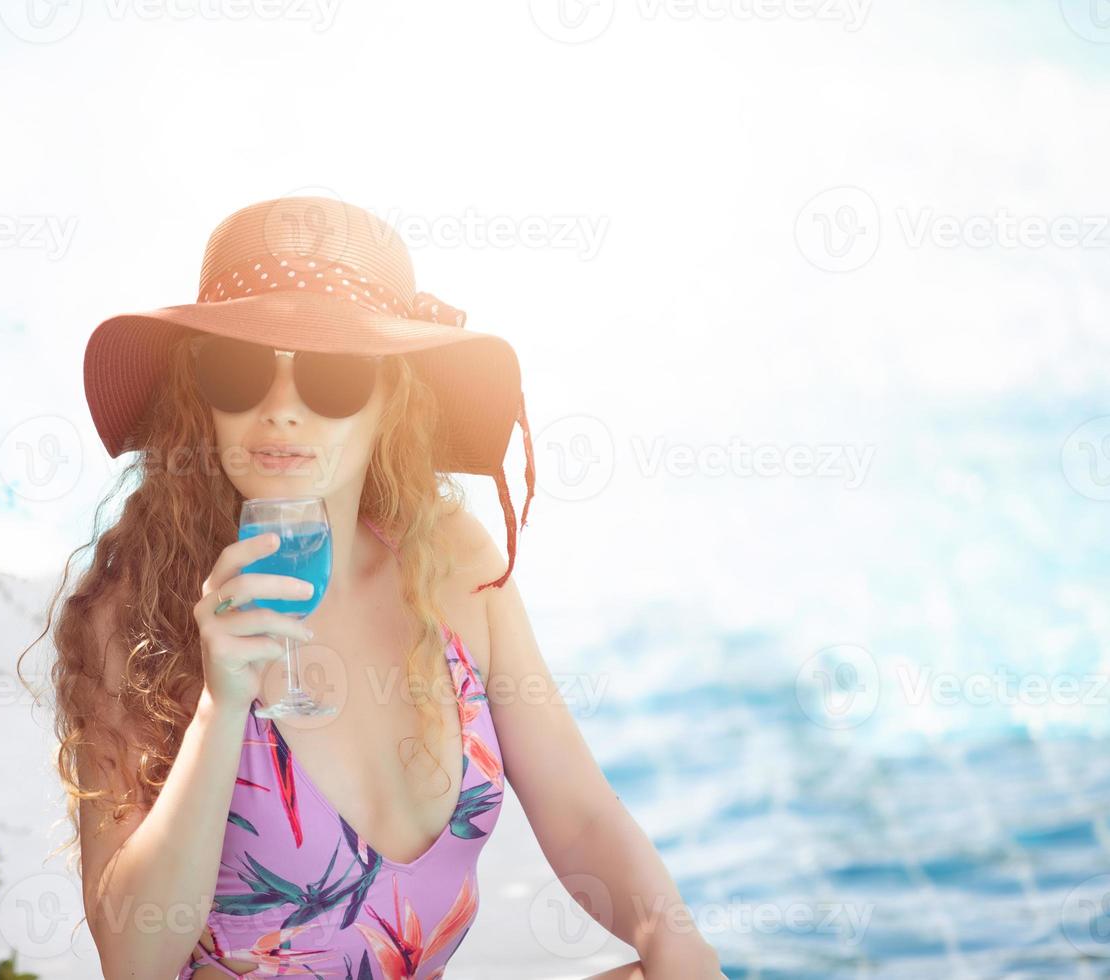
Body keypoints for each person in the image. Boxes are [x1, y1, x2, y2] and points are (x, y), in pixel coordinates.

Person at [47, 196, 723, 978]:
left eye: (331, 376)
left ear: (391, 398)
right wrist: (220, 704)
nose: (281, 411)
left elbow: (579, 814)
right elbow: (133, 961)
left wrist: (675, 941)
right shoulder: (133, 615)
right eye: (238, 371)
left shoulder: (456, 564)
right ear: (198, 393)